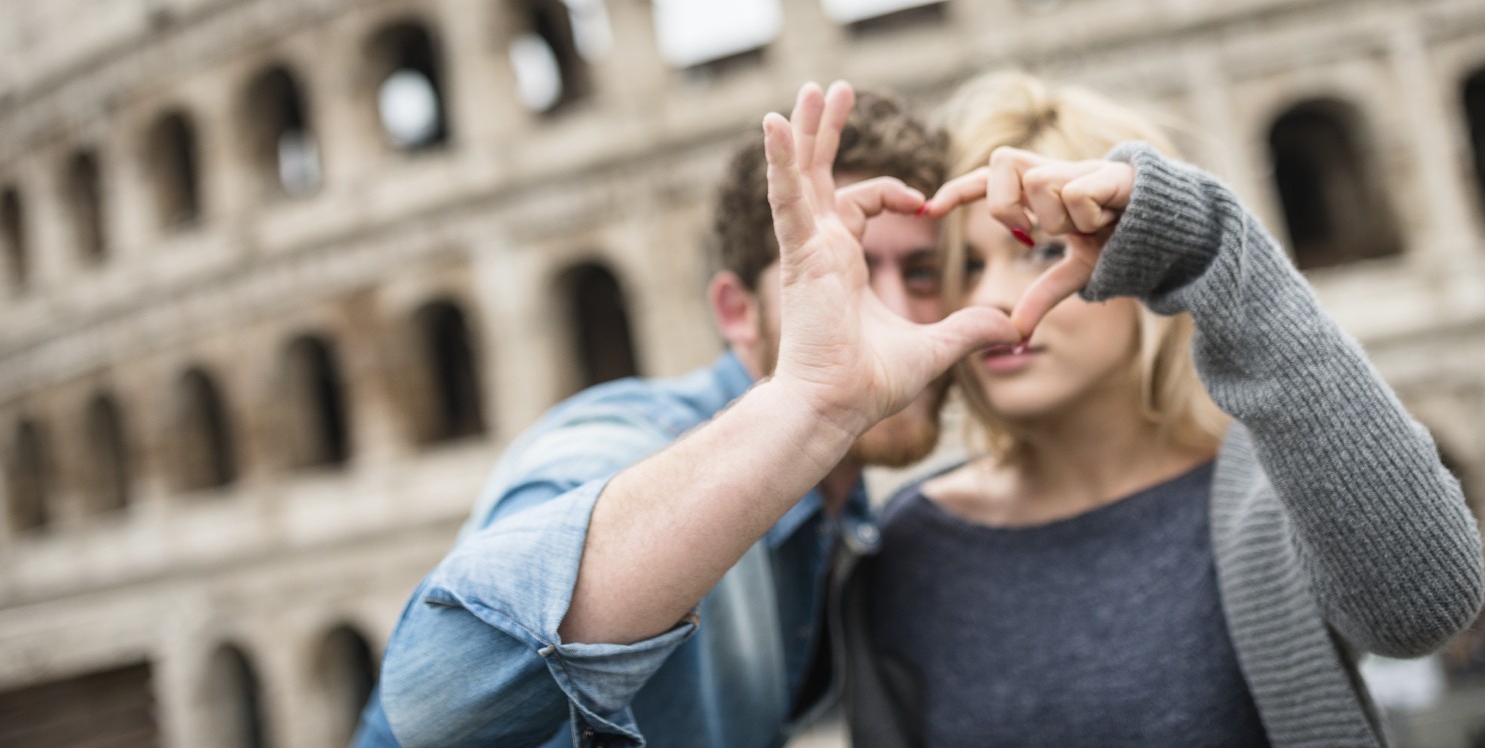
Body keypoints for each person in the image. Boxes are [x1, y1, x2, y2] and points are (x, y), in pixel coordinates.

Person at [353, 83, 1020, 748]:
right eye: (850, 270)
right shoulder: (633, 442)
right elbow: (435, 700)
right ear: (735, 312)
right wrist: (810, 406)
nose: (893, 311)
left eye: (924, 274)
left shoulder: (847, 514)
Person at [840, 69, 1485, 747]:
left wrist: (1207, 243)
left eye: (1044, 250)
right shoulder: (904, 547)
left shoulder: (1272, 494)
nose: (993, 296)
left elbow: (1425, 608)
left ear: (1140, 257)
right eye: (966, 266)